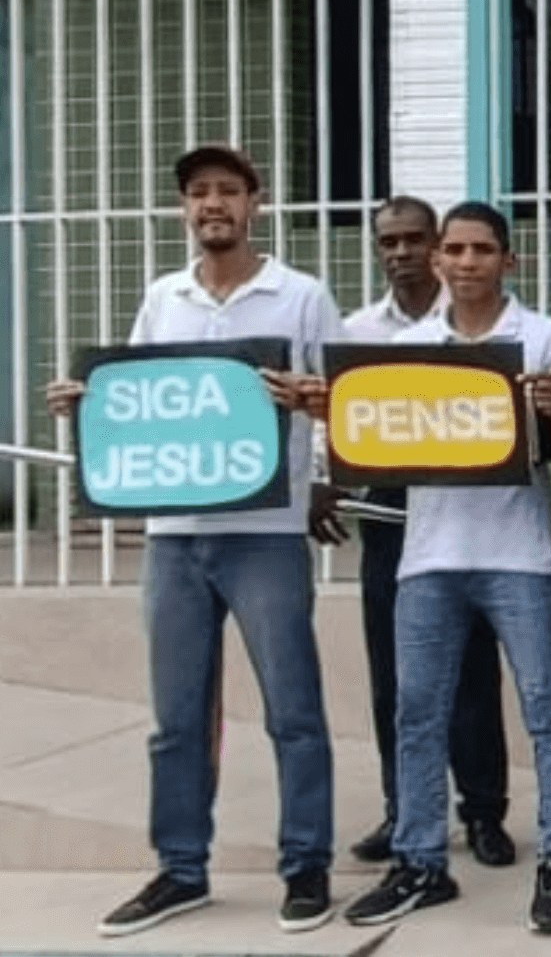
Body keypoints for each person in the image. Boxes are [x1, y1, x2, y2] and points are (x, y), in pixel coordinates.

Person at [51, 146, 345, 938]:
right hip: (176, 536)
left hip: (265, 533)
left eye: (228, 191)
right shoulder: (164, 297)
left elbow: (346, 398)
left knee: (294, 709)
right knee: (176, 718)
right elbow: (143, 395)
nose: (213, 203)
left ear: (256, 202)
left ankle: (306, 863)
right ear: (185, 208)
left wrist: (311, 410)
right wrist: (89, 402)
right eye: (199, 192)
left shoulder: (302, 295)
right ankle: (181, 868)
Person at [341, 203, 551, 934]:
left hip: (518, 553)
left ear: (509, 260)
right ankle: (420, 860)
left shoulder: (546, 337)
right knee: (417, 713)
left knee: (548, 710)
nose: (468, 261)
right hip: (429, 556)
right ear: (440, 260)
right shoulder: (406, 347)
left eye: (483, 249)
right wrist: (330, 411)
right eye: (455, 249)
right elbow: (378, 439)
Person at [340, 196, 513, 872]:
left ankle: (484, 811)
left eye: (414, 239)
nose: (401, 252)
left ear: (437, 247)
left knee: (471, 672)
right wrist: (325, 480)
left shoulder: (473, 322)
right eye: (389, 241)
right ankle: (404, 809)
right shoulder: (357, 329)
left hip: (464, 509)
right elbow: (336, 415)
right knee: (395, 676)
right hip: (390, 512)